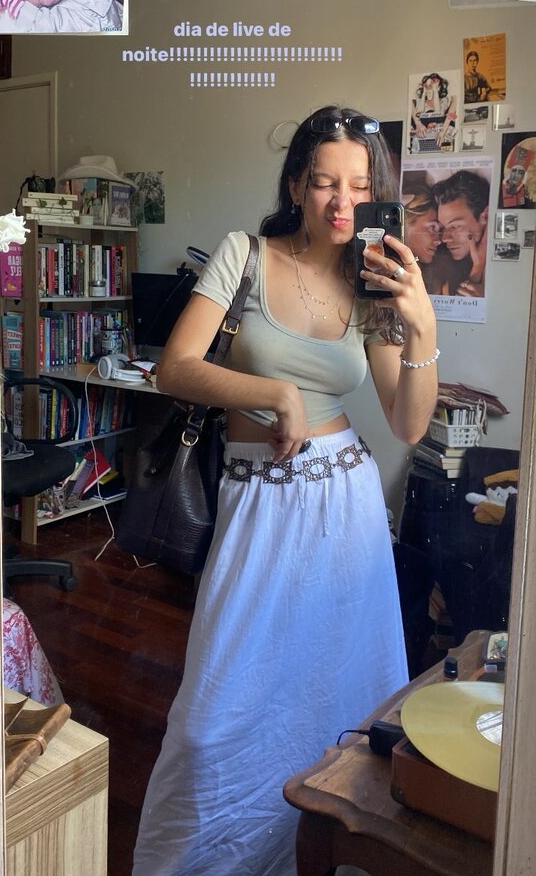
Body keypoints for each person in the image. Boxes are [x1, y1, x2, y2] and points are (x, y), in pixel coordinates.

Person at [132, 106, 438, 875]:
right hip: (258, 505)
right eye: (326, 182)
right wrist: (275, 392)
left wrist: (423, 328)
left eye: (359, 186)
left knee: (340, 697)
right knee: (214, 721)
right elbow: (175, 369)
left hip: (347, 512)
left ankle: (323, 851)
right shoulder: (243, 255)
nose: (342, 202)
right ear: (297, 185)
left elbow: (406, 423)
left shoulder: (372, 284)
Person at [433, 170, 490, 298]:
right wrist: (477, 267)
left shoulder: (500, 269)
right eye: (443, 228)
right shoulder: (445, 268)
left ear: (485, 216)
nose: (445, 238)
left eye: (455, 226)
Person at [402, 174, 444, 294]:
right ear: (406, 221)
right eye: (432, 228)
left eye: (440, 231)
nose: (439, 241)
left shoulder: (434, 280)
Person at [410, 72, 457, 152]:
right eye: (428, 85)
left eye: (434, 85)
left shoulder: (444, 101)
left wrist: (443, 131)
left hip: (441, 136)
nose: (431, 87)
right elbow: (411, 104)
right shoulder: (420, 102)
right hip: (423, 140)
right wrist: (418, 123)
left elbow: (454, 103)